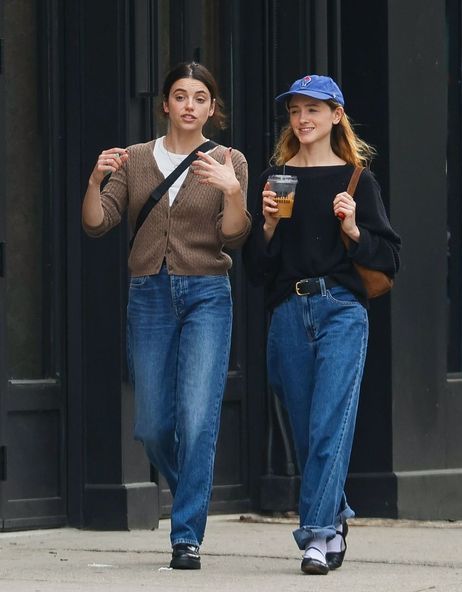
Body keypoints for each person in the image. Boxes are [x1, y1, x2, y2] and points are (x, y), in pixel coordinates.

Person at [82, 62, 251, 570]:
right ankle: (191, 496)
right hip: (149, 293)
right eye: (180, 96)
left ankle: (186, 536)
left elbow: (235, 236)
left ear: (212, 108)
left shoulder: (230, 159)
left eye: (200, 97)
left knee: (198, 420)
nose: (190, 105)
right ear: (165, 104)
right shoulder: (134, 160)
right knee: (154, 425)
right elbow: (97, 223)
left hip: (206, 293)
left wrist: (232, 190)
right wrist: (95, 180)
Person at [243, 74, 401, 575]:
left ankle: (314, 536)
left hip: (341, 311)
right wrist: (266, 226)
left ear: (337, 115)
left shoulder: (357, 179)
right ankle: (334, 518)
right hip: (289, 312)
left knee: (331, 421)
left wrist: (353, 228)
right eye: (295, 110)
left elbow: (390, 258)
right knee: (309, 431)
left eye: (314, 108)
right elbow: (256, 271)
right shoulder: (276, 178)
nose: (303, 118)